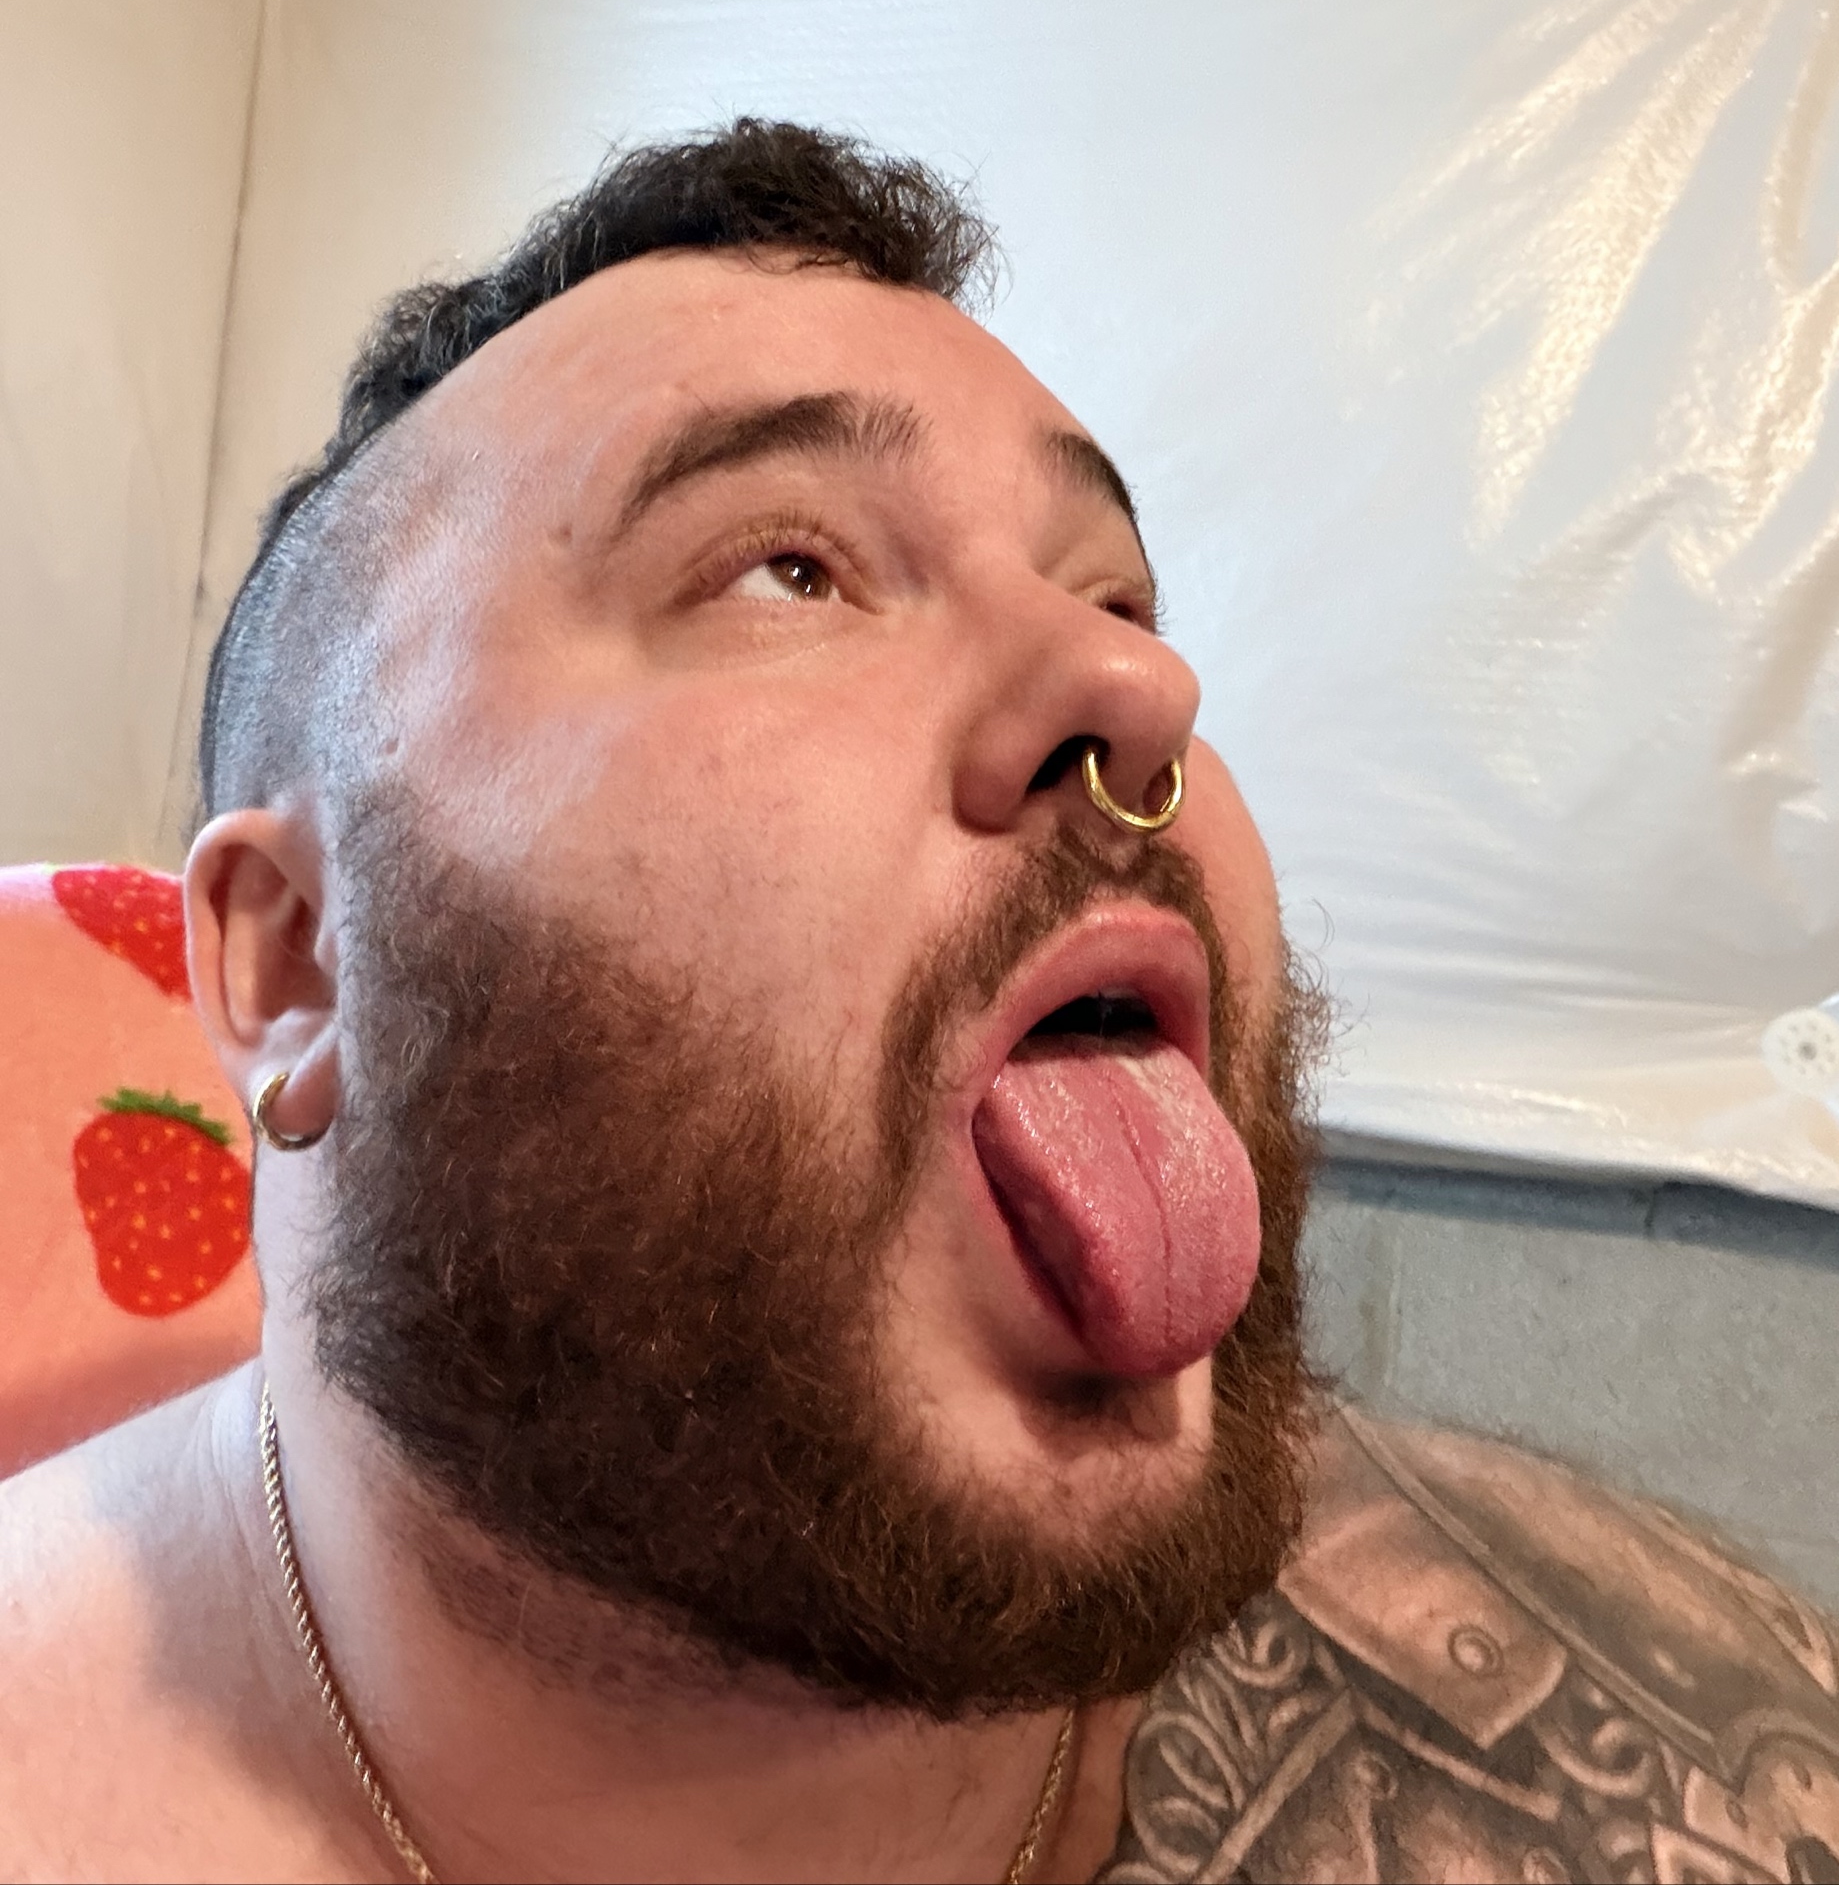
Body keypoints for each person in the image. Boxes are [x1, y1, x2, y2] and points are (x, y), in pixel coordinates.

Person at [0, 120, 1833, 1885]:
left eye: (1117, 594)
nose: (1136, 689)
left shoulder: (1702, 1720)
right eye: (789, 569)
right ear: (297, 960)